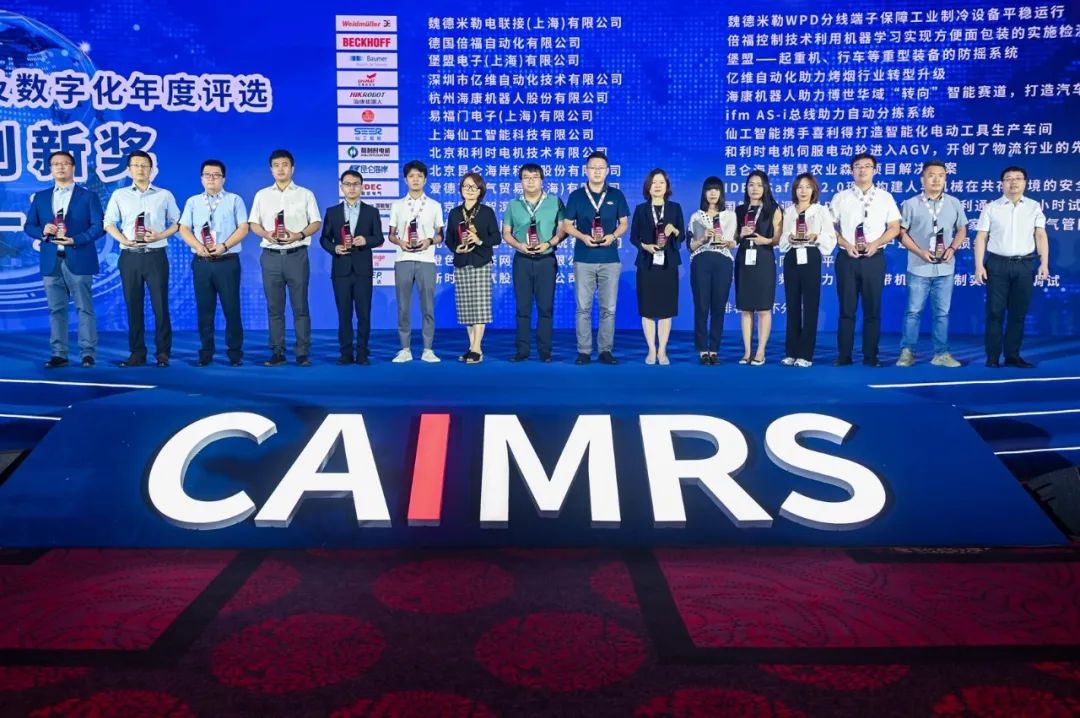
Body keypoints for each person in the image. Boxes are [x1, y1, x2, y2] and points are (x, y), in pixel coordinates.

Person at [25, 150, 104, 368]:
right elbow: (29, 225)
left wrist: (76, 240)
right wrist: (43, 231)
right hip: (51, 260)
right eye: (56, 164)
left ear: (73, 167)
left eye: (65, 163)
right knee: (56, 309)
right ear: (50, 169)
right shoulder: (41, 197)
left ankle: (88, 353)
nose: (60, 167)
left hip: (79, 257)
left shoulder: (88, 196)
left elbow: (99, 226)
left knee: (84, 308)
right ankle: (59, 354)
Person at [103, 150, 180, 368]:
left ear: (151, 169)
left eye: (144, 165)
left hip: (156, 256)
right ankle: (137, 352)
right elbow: (108, 222)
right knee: (133, 305)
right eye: (136, 165)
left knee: (160, 306)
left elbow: (178, 223)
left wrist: (159, 235)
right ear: (129, 170)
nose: (140, 169)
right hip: (130, 257)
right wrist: (124, 240)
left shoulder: (164, 195)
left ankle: (163, 352)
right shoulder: (120, 195)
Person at [248, 149, 321, 367]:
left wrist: (299, 235)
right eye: (276, 165)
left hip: (296, 255)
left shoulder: (305, 194)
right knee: (275, 307)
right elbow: (253, 223)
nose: (281, 169)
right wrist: (266, 233)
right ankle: (277, 352)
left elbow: (316, 222)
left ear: (292, 168)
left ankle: (302, 353)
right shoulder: (262, 195)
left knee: (300, 307)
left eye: (285, 164)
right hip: (270, 256)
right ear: (271, 169)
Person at [973, 166, 1050, 368]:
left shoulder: (1034, 207)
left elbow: (1040, 235)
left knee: (1018, 313)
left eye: (1018, 178)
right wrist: (979, 265)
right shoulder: (991, 207)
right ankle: (992, 357)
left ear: (1025, 183)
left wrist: (1044, 263)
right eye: (1008, 178)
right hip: (997, 264)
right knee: (995, 312)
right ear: (1002, 183)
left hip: (1024, 265)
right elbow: (981, 237)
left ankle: (1012, 355)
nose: (1013, 182)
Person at [829, 153, 901, 367]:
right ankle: (844, 355)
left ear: (875, 171)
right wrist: (845, 243)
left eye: (867, 166)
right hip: (847, 258)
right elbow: (830, 228)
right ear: (851, 171)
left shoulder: (885, 197)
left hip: (874, 259)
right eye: (858, 166)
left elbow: (894, 227)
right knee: (846, 310)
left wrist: (876, 243)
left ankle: (871, 356)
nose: (862, 170)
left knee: (872, 310)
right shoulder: (841, 197)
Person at [896, 160, 968, 368]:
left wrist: (952, 248)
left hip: (945, 268)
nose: (936, 179)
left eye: (941, 175)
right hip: (919, 267)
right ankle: (908, 352)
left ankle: (941, 354)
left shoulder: (954, 203)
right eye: (931, 175)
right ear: (922, 179)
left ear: (946, 178)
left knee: (942, 314)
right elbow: (901, 233)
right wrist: (920, 252)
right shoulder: (911, 204)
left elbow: (962, 229)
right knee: (913, 312)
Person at [177, 159, 248, 367]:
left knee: (231, 309)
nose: (211, 179)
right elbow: (183, 228)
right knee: (205, 310)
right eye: (207, 175)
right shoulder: (193, 202)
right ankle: (206, 352)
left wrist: (224, 245)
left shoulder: (234, 200)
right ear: (201, 179)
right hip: (202, 262)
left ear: (223, 179)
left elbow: (243, 228)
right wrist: (197, 246)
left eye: (216, 175)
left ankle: (235, 353)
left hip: (227, 261)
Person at [562, 151, 630, 365]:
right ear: (586, 170)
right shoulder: (576, 196)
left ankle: (605, 350)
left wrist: (613, 236)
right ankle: (584, 351)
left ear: (608, 171)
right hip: (584, 258)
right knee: (583, 308)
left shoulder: (616, 195)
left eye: (601, 168)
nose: (597, 171)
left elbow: (624, 223)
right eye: (593, 167)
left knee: (608, 309)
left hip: (610, 259)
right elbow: (566, 225)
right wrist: (583, 237)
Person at [318, 169, 384, 365]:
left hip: (363, 270)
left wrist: (366, 240)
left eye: (355, 184)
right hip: (341, 270)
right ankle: (346, 353)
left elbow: (379, 238)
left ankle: (362, 353)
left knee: (364, 314)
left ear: (362, 187)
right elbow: (324, 239)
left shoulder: (371, 212)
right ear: (342, 187)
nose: (352, 188)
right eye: (348, 184)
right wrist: (334, 248)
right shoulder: (332, 212)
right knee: (344, 314)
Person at [504, 163, 565, 362]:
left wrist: (549, 243)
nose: (530, 181)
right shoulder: (513, 204)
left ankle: (545, 351)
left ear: (542, 180)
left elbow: (563, 230)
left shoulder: (555, 202)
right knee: (523, 308)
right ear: (521, 181)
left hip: (546, 260)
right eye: (526, 177)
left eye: (535, 177)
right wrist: (519, 245)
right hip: (522, 260)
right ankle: (522, 350)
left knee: (545, 307)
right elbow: (506, 233)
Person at [388, 160, 444, 363]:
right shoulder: (397, 205)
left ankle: (428, 349)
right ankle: (405, 349)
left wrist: (429, 241)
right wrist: (400, 242)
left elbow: (441, 235)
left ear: (425, 180)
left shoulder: (435, 205)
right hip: (403, 259)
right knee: (403, 307)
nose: (415, 179)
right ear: (405, 180)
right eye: (411, 176)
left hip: (426, 260)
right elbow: (391, 235)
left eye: (419, 176)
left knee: (428, 307)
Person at [779, 173, 836, 367]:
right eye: (799, 187)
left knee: (810, 305)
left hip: (810, 256)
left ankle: (806, 354)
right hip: (792, 256)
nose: (803, 191)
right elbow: (783, 238)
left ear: (814, 190)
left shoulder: (820, 211)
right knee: (792, 304)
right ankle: (791, 352)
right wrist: (789, 238)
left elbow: (830, 237)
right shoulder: (789, 211)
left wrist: (816, 236)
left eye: (807, 187)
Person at [446, 172, 501, 363]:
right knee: (467, 309)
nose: (469, 190)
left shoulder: (486, 212)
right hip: (461, 262)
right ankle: (472, 347)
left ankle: (477, 348)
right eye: (465, 186)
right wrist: (456, 248)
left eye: (473, 187)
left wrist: (479, 240)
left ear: (480, 191)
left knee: (480, 307)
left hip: (481, 262)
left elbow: (496, 237)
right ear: (461, 189)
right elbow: (449, 239)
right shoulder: (454, 213)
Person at [630, 168, 684, 365]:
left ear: (667, 186)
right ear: (648, 187)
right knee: (647, 309)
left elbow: (682, 237)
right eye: (654, 182)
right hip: (647, 264)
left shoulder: (675, 208)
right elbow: (633, 237)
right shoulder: (641, 209)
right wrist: (645, 246)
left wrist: (675, 230)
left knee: (666, 309)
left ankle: (662, 350)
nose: (658, 186)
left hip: (668, 264)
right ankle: (651, 350)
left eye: (661, 182)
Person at [687, 177, 737, 365]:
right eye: (709, 189)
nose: (713, 193)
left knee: (718, 306)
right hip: (701, 261)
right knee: (701, 305)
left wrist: (728, 242)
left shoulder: (730, 216)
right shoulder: (696, 216)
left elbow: (734, 241)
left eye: (716, 189)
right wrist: (702, 238)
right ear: (704, 193)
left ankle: (714, 350)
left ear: (721, 193)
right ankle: (702, 350)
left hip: (723, 261)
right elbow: (690, 246)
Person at [734, 170, 782, 365]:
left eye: (759, 185)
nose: (755, 188)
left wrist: (766, 240)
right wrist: (740, 234)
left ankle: (760, 351)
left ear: (766, 188)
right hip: (744, 259)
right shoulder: (739, 210)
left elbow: (778, 238)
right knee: (746, 309)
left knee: (763, 308)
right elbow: (733, 238)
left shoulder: (773, 209)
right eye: (751, 184)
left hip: (763, 259)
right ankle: (747, 352)